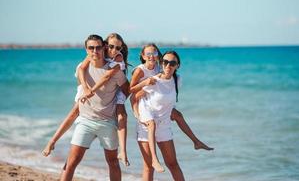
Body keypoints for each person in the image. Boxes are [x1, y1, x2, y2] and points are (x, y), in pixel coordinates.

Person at [42, 33, 130, 166]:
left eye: (118, 48)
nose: (113, 50)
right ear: (105, 45)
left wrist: (92, 91)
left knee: (122, 116)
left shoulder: (117, 58)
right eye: (111, 46)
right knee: (74, 111)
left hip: (117, 91)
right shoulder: (95, 52)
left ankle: (123, 151)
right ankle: (52, 141)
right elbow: (82, 68)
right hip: (88, 88)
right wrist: (85, 89)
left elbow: (106, 77)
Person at [130, 46, 213, 180]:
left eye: (172, 63)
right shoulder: (153, 81)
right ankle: (155, 160)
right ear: (161, 63)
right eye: (165, 62)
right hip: (146, 125)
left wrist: (172, 112)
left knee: (173, 164)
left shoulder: (177, 80)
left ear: (177, 66)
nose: (168, 65)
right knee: (148, 166)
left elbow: (168, 102)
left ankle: (196, 142)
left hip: (164, 125)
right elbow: (134, 95)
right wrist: (138, 114)